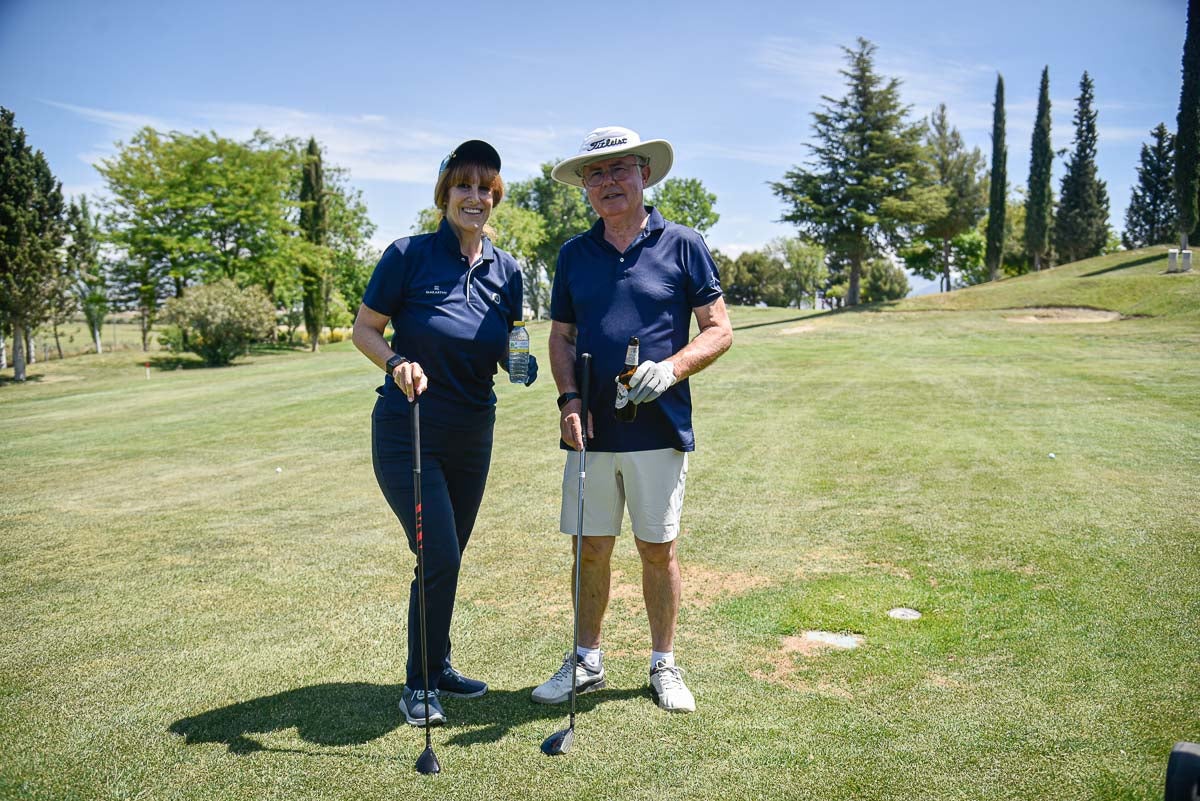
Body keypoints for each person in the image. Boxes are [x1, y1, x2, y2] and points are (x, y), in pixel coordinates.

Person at [532, 126, 733, 713]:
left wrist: (671, 370)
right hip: (590, 434)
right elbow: (561, 337)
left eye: (619, 169)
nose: (608, 182)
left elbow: (718, 329)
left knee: (656, 549)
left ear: (644, 174)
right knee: (590, 548)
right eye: (595, 174)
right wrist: (569, 400)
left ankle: (663, 664)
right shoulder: (573, 255)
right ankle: (586, 659)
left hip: (658, 427)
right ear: (585, 188)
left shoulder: (684, 243)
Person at [352, 139, 537, 727]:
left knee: (447, 560)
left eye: (486, 188)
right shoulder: (407, 255)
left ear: (496, 198)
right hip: (409, 432)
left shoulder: (507, 270)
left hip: (473, 434)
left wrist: (524, 360)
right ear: (445, 193)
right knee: (439, 556)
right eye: (465, 186)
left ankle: (440, 665)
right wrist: (394, 363)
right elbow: (365, 329)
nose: (475, 197)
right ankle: (419, 686)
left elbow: (512, 349)